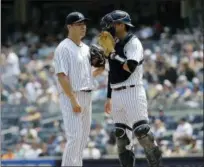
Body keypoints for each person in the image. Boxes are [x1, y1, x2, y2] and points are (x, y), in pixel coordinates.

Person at [100, 10, 162, 167]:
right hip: (116, 93)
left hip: (133, 91)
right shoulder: (113, 43)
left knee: (142, 133)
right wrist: (108, 97)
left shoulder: (133, 42)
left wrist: (113, 54)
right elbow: (112, 73)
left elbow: (130, 67)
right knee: (121, 136)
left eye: (111, 24)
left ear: (121, 25)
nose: (108, 28)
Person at [53, 12, 104, 166]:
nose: (83, 27)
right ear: (69, 27)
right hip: (71, 96)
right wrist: (73, 99)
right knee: (75, 136)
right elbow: (62, 76)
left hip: (86, 95)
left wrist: (100, 68)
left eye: (84, 24)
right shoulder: (63, 48)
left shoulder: (87, 48)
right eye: (79, 24)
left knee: (82, 139)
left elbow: (87, 75)